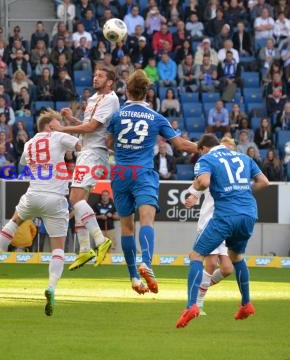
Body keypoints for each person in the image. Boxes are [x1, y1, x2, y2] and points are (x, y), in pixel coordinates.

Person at [106, 70, 197, 294]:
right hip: (143, 173)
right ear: (147, 93)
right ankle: (146, 262)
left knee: (127, 228)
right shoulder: (156, 117)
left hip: (120, 173)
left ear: (126, 90)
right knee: (147, 222)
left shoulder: (117, 116)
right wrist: (208, 148)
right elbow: (181, 145)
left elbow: (109, 143)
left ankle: (134, 278)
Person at [0, 109, 80, 316]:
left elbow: (24, 163)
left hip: (33, 194)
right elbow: (81, 146)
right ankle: (51, 286)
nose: (60, 125)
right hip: (55, 198)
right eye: (57, 122)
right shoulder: (59, 135)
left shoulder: (29, 143)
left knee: (15, 220)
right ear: (50, 126)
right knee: (58, 248)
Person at [176, 134, 270, 328]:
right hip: (249, 213)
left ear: (203, 148)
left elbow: (204, 181)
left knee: (195, 256)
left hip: (226, 215)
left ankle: (191, 305)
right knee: (236, 257)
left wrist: (197, 188)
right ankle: (246, 304)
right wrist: (242, 191)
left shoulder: (207, 159)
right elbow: (264, 182)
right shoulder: (244, 157)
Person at [52, 68, 119, 271]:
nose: (95, 78)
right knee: (80, 202)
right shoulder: (94, 99)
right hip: (87, 151)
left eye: (100, 76)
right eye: (95, 74)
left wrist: (63, 129)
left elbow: (91, 129)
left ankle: (100, 241)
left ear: (110, 82)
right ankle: (84, 250)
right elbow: (89, 126)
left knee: (75, 199)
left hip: (95, 153)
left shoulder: (111, 99)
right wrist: (72, 121)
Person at [183, 137, 236, 316]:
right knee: (211, 263)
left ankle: (198, 290)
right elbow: (198, 185)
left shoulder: (232, 172)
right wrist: (192, 196)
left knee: (228, 269)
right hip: (210, 222)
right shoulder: (210, 168)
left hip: (225, 223)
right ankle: (197, 304)